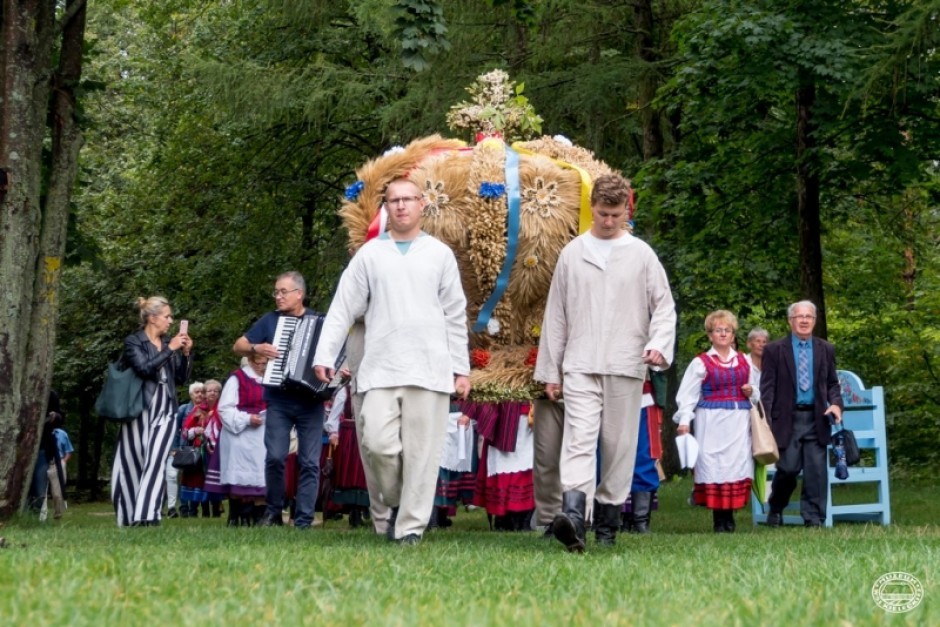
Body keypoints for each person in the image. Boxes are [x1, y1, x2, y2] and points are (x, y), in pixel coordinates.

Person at [313, 176, 471, 546]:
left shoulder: (439, 254)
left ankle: (410, 529)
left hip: (430, 370)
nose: (401, 206)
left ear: (422, 205)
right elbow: (342, 309)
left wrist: (460, 368)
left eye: (408, 199)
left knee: (422, 453)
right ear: (385, 207)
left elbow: (455, 314)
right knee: (378, 444)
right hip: (380, 367)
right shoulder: (370, 254)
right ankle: (399, 502)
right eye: (393, 200)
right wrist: (325, 354)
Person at [534, 173, 676, 552]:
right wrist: (551, 371)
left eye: (615, 214)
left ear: (626, 210)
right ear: (591, 209)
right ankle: (575, 518)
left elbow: (663, 307)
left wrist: (659, 345)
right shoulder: (572, 253)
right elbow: (556, 315)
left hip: (626, 363)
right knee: (578, 440)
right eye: (602, 214)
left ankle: (609, 523)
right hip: (579, 363)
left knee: (618, 445)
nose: (609, 221)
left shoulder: (642, 254)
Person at [233, 271, 326, 529]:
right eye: (276, 292)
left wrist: (339, 370)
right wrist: (256, 348)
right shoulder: (270, 321)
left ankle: (304, 519)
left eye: (283, 292)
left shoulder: (320, 321)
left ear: (300, 294)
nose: (278, 297)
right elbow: (238, 345)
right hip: (279, 399)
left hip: (311, 400)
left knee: (309, 462)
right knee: (275, 457)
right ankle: (273, 512)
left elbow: (335, 354)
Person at [675, 311, 760, 532]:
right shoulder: (700, 362)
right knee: (714, 464)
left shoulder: (745, 361)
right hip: (710, 422)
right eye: (718, 330)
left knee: (735, 464)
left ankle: (729, 519)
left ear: (733, 335)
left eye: (727, 330)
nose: (723, 334)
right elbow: (688, 395)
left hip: (739, 422)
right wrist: (684, 421)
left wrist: (752, 391)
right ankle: (718, 519)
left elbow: (758, 392)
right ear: (710, 335)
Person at [112, 296, 193, 527]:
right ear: (152, 318)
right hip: (138, 407)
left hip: (166, 409)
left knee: (156, 461)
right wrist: (171, 349)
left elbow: (179, 378)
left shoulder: (170, 342)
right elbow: (144, 369)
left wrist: (186, 354)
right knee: (132, 462)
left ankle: (147, 516)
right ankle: (128, 517)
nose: (171, 321)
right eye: (167, 316)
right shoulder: (134, 342)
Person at [761, 300, 843, 528]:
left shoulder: (825, 349)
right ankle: (776, 508)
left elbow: (833, 384)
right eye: (800, 316)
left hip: (817, 419)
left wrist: (836, 404)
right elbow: (767, 389)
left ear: (815, 321)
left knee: (816, 471)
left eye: (809, 316)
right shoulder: (774, 350)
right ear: (790, 321)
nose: (804, 320)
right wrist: (766, 422)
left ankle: (814, 518)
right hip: (787, 420)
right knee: (787, 469)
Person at [218, 355, 268, 526]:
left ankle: (258, 516)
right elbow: (224, 408)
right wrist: (246, 419)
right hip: (239, 435)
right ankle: (236, 516)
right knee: (239, 473)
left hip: (262, 434)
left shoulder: (270, 379)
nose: (263, 366)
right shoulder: (237, 378)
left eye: (266, 363)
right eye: (261, 363)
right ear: (252, 361)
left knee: (261, 475)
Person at [179, 380, 223, 517]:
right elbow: (185, 431)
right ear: (204, 393)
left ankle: (216, 510)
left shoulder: (223, 408)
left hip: (219, 450)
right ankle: (203, 511)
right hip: (200, 451)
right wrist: (195, 431)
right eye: (209, 390)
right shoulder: (197, 410)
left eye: (216, 391)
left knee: (216, 479)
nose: (212, 393)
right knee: (200, 481)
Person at [168, 381, 204, 518]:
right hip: (184, 449)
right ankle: (184, 507)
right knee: (184, 478)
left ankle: (194, 508)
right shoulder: (184, 409)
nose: (200, 394)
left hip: (200, 450)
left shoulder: (206, 409)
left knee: (197, 480)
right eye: (197, 392)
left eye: (202, 392)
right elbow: (175, 431)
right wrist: (174, 448)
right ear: (191, 394)